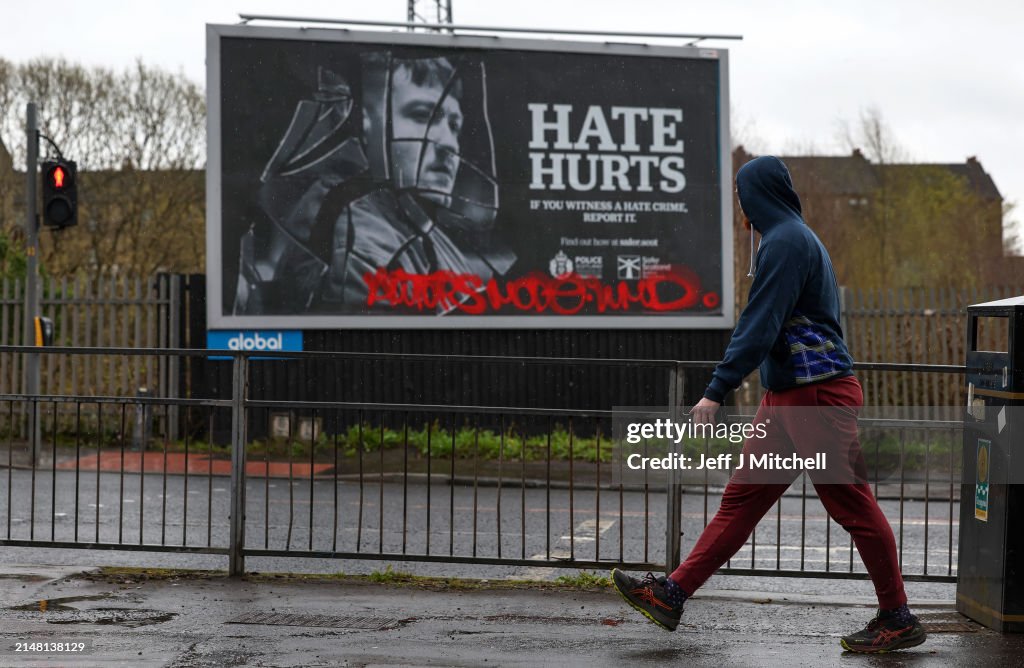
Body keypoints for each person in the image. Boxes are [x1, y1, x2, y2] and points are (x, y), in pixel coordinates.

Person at [611, 156, 927, 654]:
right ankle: (671, 594)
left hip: (817, 394)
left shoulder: (786, 242)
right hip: (788, 395)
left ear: (756, 196)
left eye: (741, 196)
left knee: (852, 504)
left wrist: (717, 389)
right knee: (742, 499)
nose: (740, 207)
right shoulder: (785, 240)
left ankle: (897, 616)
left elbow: (760, 322)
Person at [234, 53, 513, 315]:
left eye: (455, 127)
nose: (448, 143)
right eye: (422, 116)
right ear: (368, 125)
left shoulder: (411, 219)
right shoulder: (359, 237)